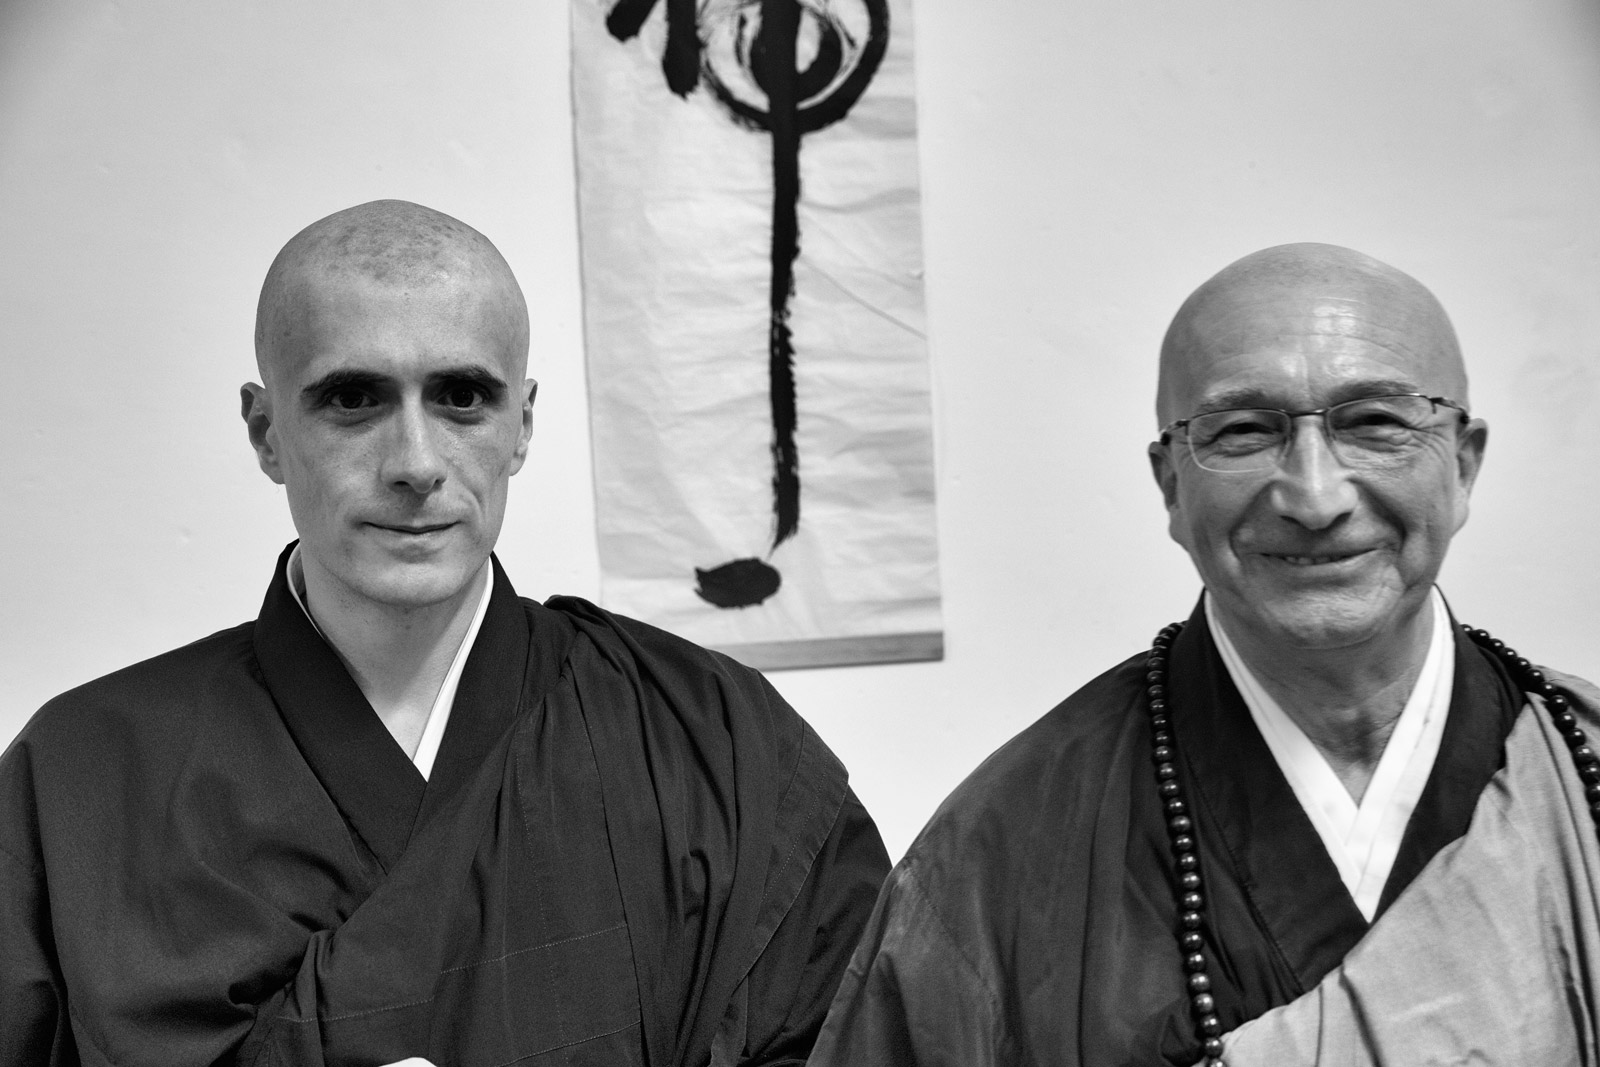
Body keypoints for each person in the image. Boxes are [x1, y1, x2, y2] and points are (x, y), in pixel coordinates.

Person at [0, 200, 890, 1066]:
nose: (416, 464)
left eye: (462, 397)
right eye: (354, 398)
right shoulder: (81, 780)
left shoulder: (714, 743)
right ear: (267, 432)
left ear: (521, 426)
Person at [810, 243, 1600, 1066]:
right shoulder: (1001, 851)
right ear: (1171, 485)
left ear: (1463, 465)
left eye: (1376, 423)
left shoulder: (1581, 771)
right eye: (1244, 431)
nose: (1314, 497)